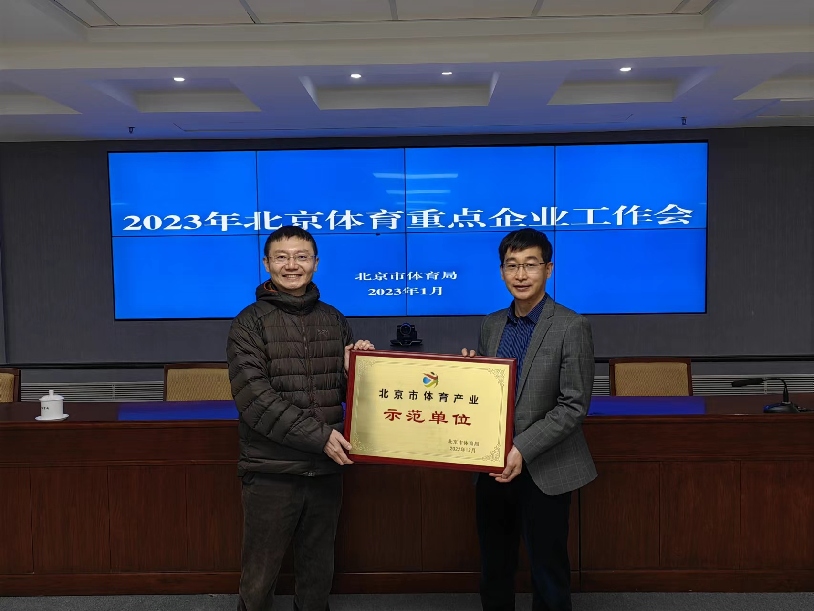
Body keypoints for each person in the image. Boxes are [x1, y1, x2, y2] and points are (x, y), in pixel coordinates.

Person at [227, 225, 374, 611]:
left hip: (325, 470)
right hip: (271, 470)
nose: (292, 265)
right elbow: (255, 399)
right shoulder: (248, 322)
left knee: (317, 574)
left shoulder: (334, 319)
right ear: (266, 264)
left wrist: (356, 371)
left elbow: (343, 395)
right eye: (282, 257)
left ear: (316, 263)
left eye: (301, 257)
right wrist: (319, 437)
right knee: (259, 578)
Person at [462, 228, 596, 611]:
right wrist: (468, 374)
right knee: (495, 566)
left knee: (548, 572)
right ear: (502, 271)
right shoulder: (491, 324)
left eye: (530, 265)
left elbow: (573, 405)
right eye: (512, 265)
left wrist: (521, 448)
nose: (520, 275)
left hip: (545, 468)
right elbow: (493, 394)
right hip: (492, 465)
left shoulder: (571, 326)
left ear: (548, 269)